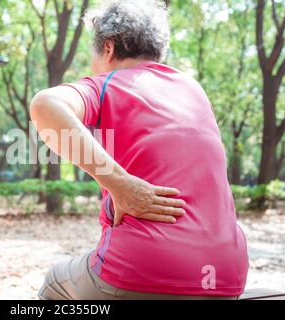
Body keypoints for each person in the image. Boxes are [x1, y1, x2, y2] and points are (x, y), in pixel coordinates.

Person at [30, 0, 248, 300]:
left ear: (108, 48)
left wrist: (120, 184)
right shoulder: (193, 90)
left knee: (56, 281)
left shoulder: (105, 84)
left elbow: (45, 105)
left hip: (140, 271)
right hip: (225, 278)